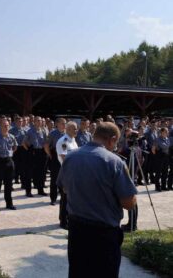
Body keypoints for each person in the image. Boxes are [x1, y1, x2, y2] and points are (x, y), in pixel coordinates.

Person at [57, 122, 137, 278]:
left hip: (76, 229)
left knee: (78, 272)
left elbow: (65, 188)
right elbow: (128, 203)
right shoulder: (115, 162)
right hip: (103, 234)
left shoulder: (71, 157)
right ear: (112, 139)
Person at [0, 120, 17, 211]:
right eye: (4, 126)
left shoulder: (12, 137)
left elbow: (14, 147)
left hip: (9, 162)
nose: (6, 127)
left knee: (9, 185)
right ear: (0, 127)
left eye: (7, 126)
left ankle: (9, 204)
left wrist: (9, 153)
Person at [55, 121, 78, 229]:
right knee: (65, 197)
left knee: (71, 197)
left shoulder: (73, 140)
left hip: (73, 171)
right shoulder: (63, 141)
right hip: (66, 171)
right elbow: (64, 158)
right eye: (74, 128)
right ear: (68, 129)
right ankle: (63, 221)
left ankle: (69, 217)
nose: (76, 130)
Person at [23, 116, 48, 197]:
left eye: (40, 121)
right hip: (32, 152)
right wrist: (29, 150)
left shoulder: (43, 131)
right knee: (29, 173)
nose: (39, 122)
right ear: (34, 122)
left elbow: (45, 143)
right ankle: (28, 191)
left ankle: (40, 190)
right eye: (37, 120)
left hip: (41, 152)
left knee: (40, 172)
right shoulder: (29, 131)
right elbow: (24, 143)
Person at [45, 118, 66, 205]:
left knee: (64, 178)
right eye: (62, 123)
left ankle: (63, 197)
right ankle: (53, 198)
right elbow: (46, 145)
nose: (64, 125)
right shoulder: (53, 133)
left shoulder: (66, 133)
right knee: (54, 178)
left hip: (64, 156)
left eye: (65, 123)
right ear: (57, 124)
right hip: (55, 156)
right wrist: (50, 155)